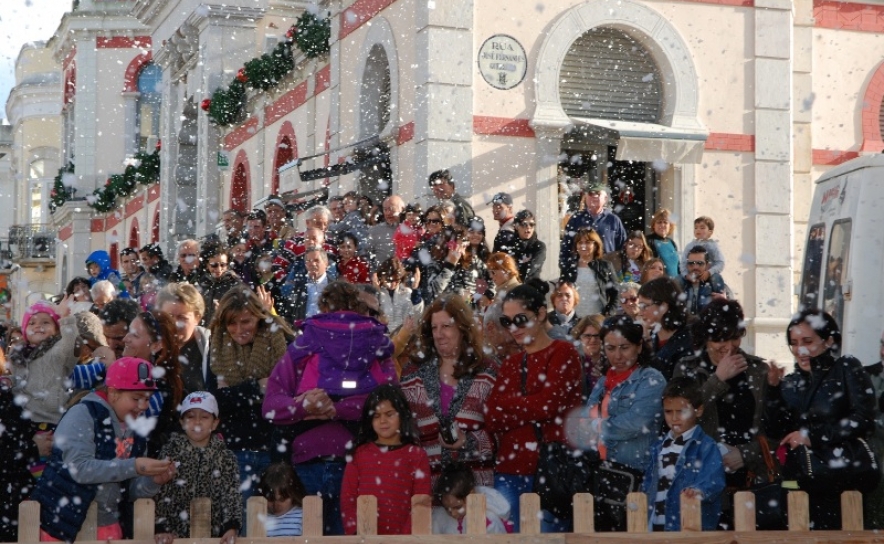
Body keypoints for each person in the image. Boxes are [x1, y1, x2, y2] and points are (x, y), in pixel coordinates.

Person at [263, 280, 397, 535]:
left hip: (314, 462)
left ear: (322, 307)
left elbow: (271, 406)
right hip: (355, 463)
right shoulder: (376, 344)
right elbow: (391, 404)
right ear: (358, 308)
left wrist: (307, 406)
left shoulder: (305, 343)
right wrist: (315, 406)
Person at [30, 357, 174, 542]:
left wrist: (153, 481)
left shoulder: (136, 427)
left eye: (147, 399)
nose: (143, 406)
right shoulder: (83, 414)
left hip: (108, 525)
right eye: (136, 398)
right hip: (60, 525)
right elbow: (80, 469)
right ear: (113, 393)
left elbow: (131, 490)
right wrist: (135, 466)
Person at [765, 308, 878, 530]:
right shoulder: (790, 382)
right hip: (804, 480)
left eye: (808, 340)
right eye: (794, 343)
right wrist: (772, 391)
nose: (800, 349)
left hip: (844, 476)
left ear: (828, 341)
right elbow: (777, 430)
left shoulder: (845, 367)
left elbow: (863, 418)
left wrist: (813, 437)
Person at [484, 282, 583, 532]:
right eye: (507, 322)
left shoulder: (564, 352)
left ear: (540, 314)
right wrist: (530, 406)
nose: (513, 328)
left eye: (520, 319)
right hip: (509, 469)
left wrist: (509, 404)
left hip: (550, 471)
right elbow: (492, 418)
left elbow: (547, 406)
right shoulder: (511, 363)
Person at [672, 298, 773, 529]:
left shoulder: (758, 370)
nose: (728, 346)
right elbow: (680, 418)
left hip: (751, 484)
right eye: (719, 339)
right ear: (705, 338)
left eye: (734, 337)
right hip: (702, 484)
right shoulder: (687, 368)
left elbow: (774, 430)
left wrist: (745, 453)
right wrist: (717, 380)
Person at [209, 288, 295, 511]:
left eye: (246, 321)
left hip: (275, 446)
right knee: (244, 522)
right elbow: (216, 401)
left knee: (277, 525)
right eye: (232, 324)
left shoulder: (280, 339)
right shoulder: (217, 344)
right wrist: (258, 386)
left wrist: (236, 393)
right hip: (236, 449)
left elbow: (286, 390)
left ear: (259, 316)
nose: (239, 330)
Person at [579, 315, 666, 531]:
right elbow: (583, 421)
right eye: (610, 348)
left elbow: (633, 424)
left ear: (638, 347)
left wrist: (596, 426)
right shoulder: (602, 382)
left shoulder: (650, 379)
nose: (617, 355)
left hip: (634, 474)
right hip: (601, 472)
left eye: (624, 347)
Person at [401, 295, 497, 486]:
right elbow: (403, 430)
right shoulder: (412, 372)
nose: (438, 334)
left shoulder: (487, 371)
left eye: (446, 326)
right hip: (426, 486)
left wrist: (468, 442)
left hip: (475, 486)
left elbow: (500, 432)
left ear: (462, 329)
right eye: (434, 328)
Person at [340, 384, 432, 535]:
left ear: (402, 415)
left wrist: (405, 538)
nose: (382, 420)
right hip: (364, 537)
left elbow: (421, 502)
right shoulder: (359, 454)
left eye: (389, 414)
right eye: (376, 416)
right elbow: (347, 498)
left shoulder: (417, 456)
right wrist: (355, 532)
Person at [153, 392, 241, 544]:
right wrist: (161, 528)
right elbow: (161, 493)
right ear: (182, 422)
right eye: (191, 417)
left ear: (215, 423)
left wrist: (230, 527)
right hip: (175, 536)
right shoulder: (170, 452)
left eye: (205, 417)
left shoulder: (226, 457)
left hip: (213, 535)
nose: (197, 422)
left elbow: (231, 494)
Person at [641, 377, 725, 532]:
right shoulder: (658, 447)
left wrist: (699, 491)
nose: (674, 418)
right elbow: (648, 484)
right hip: (655, 525)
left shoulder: (706, 446)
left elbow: (714, 479)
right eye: (668, 411)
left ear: (698, 410)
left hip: (688, 525)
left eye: (681, 412)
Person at [156, 283, 212, 393]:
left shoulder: (210, 347)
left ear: (197, 318)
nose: (175, 324)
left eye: (182, 318)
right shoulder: (149, 347)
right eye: (169, 316)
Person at [560, 182, 627, 268]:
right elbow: (566, 247)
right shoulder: (576, 219)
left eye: (598, 194)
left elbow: (622, 248)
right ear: (586, 198)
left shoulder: (613, 220)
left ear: (605, 198)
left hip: (607, 270)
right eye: (591, 194)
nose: (594, 197)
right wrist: (566, 270)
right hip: (582, 269)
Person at [432, 462, 511, 534]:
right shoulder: (440, 518)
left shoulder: (488, 518)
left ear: (471, 495)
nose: (453, 513)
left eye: (457, 507)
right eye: (447, 508)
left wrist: (487, 527)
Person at [637, 277, 693, 380]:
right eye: (639, 306)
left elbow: (667, 381)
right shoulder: (654, 334)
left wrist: (648, 346)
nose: (640, 312)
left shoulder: (688, 340)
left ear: (663, 306)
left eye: (644, 306)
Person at [560, 227, 618, 316]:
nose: (583, 246)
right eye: (580, 243)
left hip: (597, 319)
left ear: (595, 245)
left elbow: (616, 293)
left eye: (588, 242)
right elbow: (561, 292)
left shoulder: (605, 266)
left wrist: (609, 313)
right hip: (573, 318)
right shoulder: (568, 267)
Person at [677, 246, 732, 316]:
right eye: (691, 263)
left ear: (707, 265)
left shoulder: (716, 285)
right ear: (687, 265)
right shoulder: (680, 284)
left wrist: (724, 301)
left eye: (700, 263)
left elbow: (732, 314)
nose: (695, 267)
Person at [198, 242, 242, 326]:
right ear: (207, 265)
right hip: (204, 333)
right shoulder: (202, 284)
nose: (219, 269)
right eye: (214, 265)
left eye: (223, 265)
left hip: (226, 332)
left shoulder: (236, 286)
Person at [257, 462, 306, 537]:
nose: (276, 504)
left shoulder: (302, 516)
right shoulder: (260, 517)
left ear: (293, 495)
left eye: (282, 499)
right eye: (270, 499)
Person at [377, 257, 423, 333]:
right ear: (381, 277)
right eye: (389, 280)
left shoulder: (407, 292)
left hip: (402, 338)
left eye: (396, 280)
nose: (392, 284)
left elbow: (416, 315)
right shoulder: (377, 294)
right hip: (383, 339)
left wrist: (415, 291)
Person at [570, 314, 605, 397]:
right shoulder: (573, 362)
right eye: (588, 336)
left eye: (597, 336)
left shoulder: (614, 361)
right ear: (579, 338)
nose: (593, 340)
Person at [366, 195, 405, 270]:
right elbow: (366, 255)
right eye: (385, 209)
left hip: (406, 278)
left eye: (391, 209)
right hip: (383, 277)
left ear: (402, 209)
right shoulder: (375, 231)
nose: (388, 213)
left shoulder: (412, 230)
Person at [511, 210, 546, 282]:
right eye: (524, 224)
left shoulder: (539, 246)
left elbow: (531, 269)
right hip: (511, 287)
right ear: (517, 226)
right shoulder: (510, 245)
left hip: (531, 288)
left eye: (532, 224)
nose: (528, 227)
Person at [646, 209, 680, 277]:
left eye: (665, 222)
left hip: (675, 284)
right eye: (659, 222)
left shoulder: (672, 242)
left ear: (670, 226)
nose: (662, 225)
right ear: (654, 225)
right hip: (659, 283)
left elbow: (678, 266)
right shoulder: (648, 241)